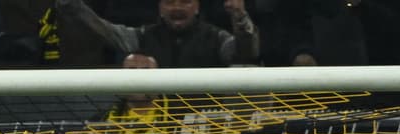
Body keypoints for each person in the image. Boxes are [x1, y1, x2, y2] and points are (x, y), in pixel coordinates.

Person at [57, 0, 259, 68]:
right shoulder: (143, 35)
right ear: (160, 8)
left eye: (185, 2)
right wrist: (76, 8)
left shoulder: (216, 37)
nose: (177, 8)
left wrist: (239, 16)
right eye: (169, 2)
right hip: (156, 125)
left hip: (204, 125)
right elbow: (105, 31)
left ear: (197, 7)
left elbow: (246, 52)